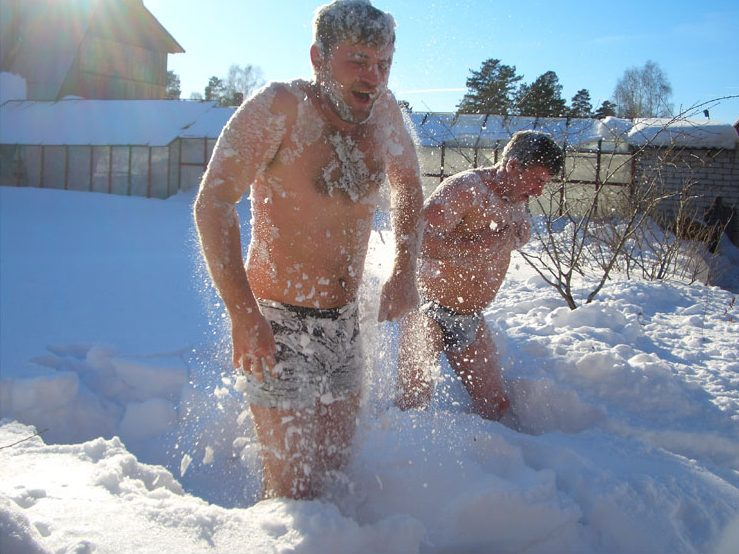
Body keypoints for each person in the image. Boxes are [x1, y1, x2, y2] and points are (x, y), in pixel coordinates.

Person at [193, 0, 423, 500]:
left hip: (344, 325)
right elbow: (212, 204)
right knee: (292, 489)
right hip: (276, 324)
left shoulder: (384, 115)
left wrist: (404, 268)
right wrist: (242, 314)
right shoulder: (280, 109)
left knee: (333, 471)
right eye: (358, 60)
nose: (374, 76)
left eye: (383, 63)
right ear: (318, 58)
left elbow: (408, 184)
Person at [396, 131, 564, 420]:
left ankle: (490, 456)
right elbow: (415, 239)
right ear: (513, 167)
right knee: (412, 405)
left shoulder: (516, 195)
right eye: (537, 180)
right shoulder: (466, 190)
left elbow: (502, 236)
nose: (538, 191)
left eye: (544, 183)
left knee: (495, 406)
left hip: (469, 316)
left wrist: (517, 235)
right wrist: (470, 247)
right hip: (428, 311)